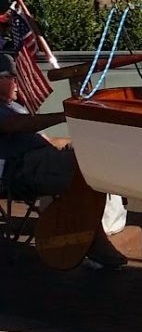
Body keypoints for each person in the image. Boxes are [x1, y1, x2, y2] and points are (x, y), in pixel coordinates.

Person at [0, 71, 127, 269]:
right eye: (9, 76)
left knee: (97, 153)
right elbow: (14, 125)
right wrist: (64, 115)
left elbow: (47, 141)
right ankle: (93, 240)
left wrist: (80, 144)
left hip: (39, 160)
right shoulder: (7, 113)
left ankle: (85, 234)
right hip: (19, 169)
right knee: (89, 167)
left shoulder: (13, 107)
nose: (17, 82)